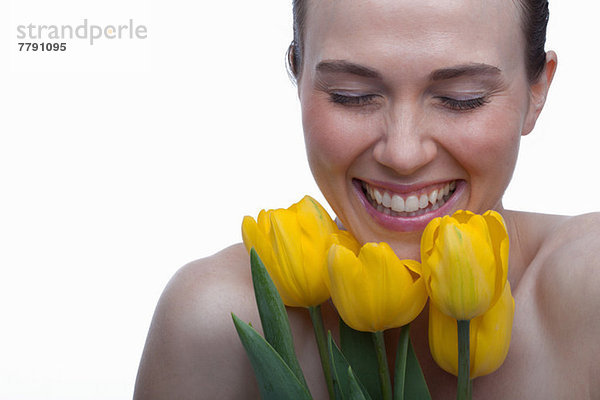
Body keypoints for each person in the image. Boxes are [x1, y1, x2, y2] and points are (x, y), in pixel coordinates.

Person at [133, 0, 600, 398]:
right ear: (298, 77)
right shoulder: (221, 320)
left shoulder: (586, 287)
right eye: (350, 95)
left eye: (462, 98)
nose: (402, 154)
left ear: (537, 92)